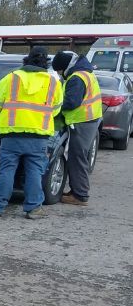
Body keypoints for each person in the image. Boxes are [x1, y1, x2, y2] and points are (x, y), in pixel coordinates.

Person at [0, 46, 62, 219]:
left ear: (27, 60)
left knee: (7, 170)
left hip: (12, 135)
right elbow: (56, 110)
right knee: (35, 171)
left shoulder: (12, 78)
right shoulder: (53, 83)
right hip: (39, 136)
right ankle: (34, 208)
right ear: (46, 63)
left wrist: (1, 114)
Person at [50, 51, 102, 206]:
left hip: (82, 121)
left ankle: (80, 195)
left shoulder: (77, 78)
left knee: (77, 157)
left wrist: (53, 107)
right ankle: (77, 191)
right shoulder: (84, 73)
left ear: (64, 67)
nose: (59, 74)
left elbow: (71, 102)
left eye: (59, 70)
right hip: (89, 119)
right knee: (80, 157)